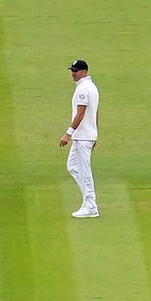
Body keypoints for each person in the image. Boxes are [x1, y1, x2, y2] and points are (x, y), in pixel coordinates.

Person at [62, 57, 100, 219]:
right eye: (72, 71)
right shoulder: (91, 87)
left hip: (82, 137)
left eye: (75, 71)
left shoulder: (84, 89)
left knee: (84, 171)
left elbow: (81, 114)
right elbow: (95, 113)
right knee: (72, 166)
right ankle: (89, 201)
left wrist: (68, 133)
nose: (73, 74)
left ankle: (91, 206)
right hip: (86, 136)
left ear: (84, 72)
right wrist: (95, 134)